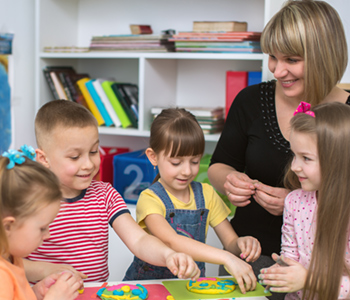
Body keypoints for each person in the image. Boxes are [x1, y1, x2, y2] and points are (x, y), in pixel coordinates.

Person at [207, 1, 350, 298]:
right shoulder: (250, 100)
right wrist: (231, 181)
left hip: (329, 270)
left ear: (324, 56)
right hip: (250, 253)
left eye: (292, 59)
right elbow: (219, 165)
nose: (277, 69)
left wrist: (303, 202)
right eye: (272, 56)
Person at [24, 100, 200, 284]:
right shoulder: (28, 200)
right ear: (44, 158)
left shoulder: (105, 195)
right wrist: (45, 270)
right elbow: (7, 262)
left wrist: (168, 255)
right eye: (75, 157)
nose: (88, 164)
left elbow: (139, 240)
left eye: (93, 152)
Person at [124, 108, 261, 294]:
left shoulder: (207, 194)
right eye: (176, 163)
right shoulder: (150, 198)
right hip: (149, 289)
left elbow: (231, 243)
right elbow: (172, 242)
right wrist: (227, 258)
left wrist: (242, 245)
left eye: (195, 161)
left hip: (189, 289)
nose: (187, 171)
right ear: (153, 157)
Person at [258, 101, 350, 300]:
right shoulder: (294, 202)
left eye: (306, 158)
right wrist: (280, 271)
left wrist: (309, 280)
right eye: (294, 155)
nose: (294, 167)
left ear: (338, 159)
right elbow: (290, 256)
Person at [0, 145, 82, 300]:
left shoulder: (11, 257)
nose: (48, 235)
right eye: (42, 228)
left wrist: (35, 293)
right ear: (8, 226)